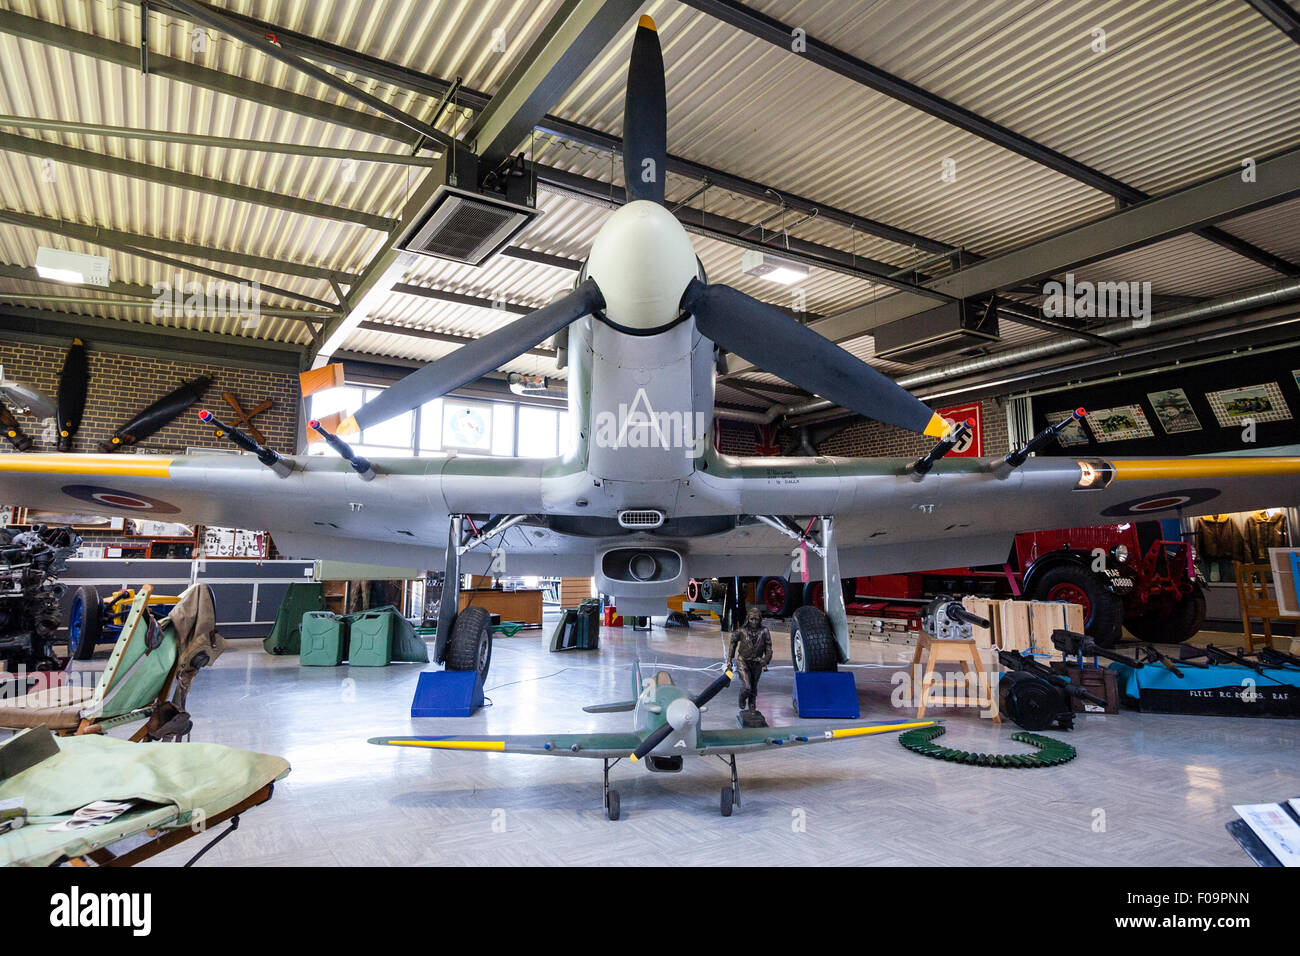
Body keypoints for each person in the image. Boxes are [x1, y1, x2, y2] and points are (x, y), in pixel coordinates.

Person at [728, 606, 773, 712]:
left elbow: (769, 648)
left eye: (756, 619)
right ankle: (742, 697)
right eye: (751, 619)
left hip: (757, 663)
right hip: (743, 661)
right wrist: (729, 660)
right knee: (747, 686)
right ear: (748, 619)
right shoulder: (741, 631)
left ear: (760, 620)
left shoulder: (764, 631)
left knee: (754, 685)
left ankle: (752, 703)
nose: (754, 622)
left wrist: (765, 660)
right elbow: (733, 642)